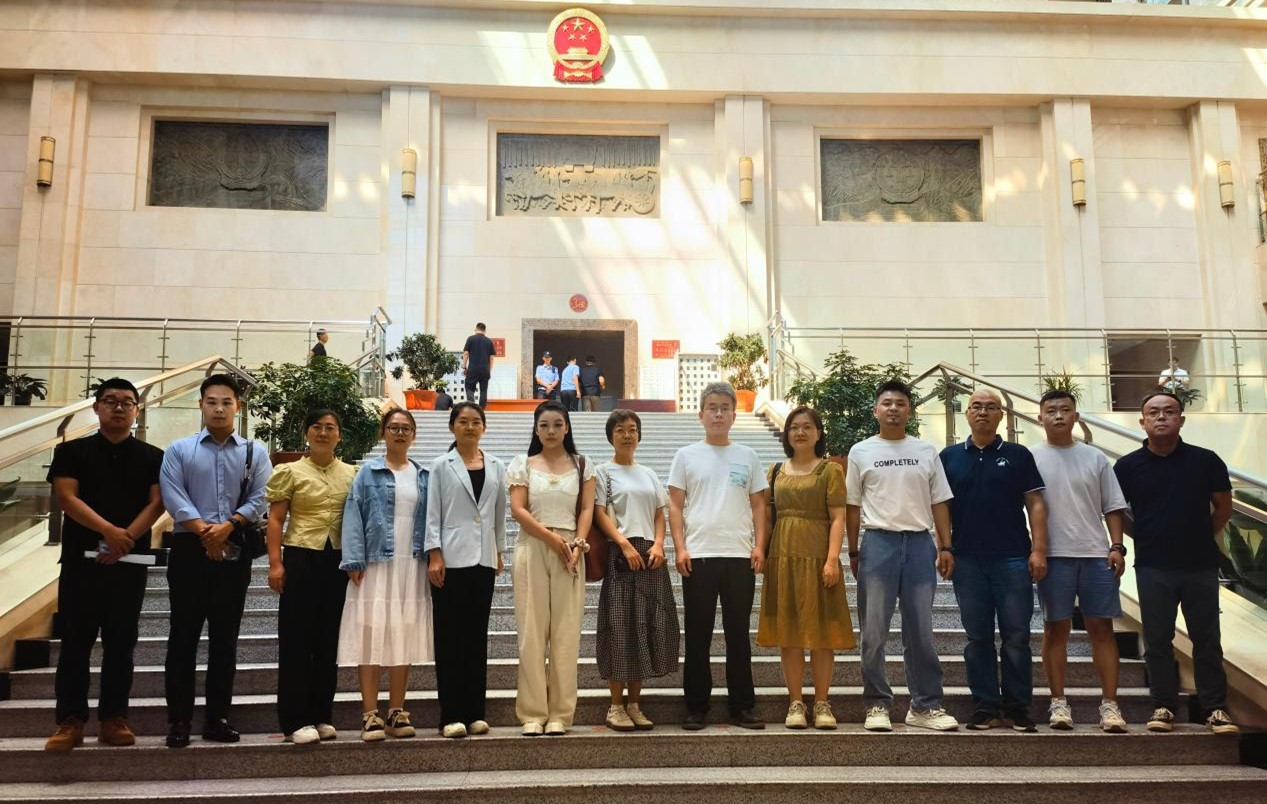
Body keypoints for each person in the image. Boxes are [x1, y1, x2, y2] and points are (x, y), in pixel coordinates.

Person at [44, 378, 165, 752]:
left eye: (127, 402)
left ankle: (114, 719)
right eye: (110, 401)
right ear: (96, 407)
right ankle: (70, 721)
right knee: (75, 644)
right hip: (81, 565)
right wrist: (109, 532)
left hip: (128, 564)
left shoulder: (152, 456)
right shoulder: (71, 451)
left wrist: (125, 538)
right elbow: (67, 498)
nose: (119, 407)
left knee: (121, 644)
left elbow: (158, 503)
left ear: (137, 410)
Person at [1114, 391, 1238, 735]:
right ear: (1143, 422)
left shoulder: (1206, 461)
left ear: (1181, 419)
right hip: (1153, 566)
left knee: (1207, 639)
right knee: (1157, 640)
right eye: (1153, 412)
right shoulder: (1127, 466)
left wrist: (1200, 536)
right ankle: (1164, 706)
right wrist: (1143, 537)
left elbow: (1224, 508)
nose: (1161, 417)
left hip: (1200, 565)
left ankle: (1215, 709)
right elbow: (1117, 511)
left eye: (1169, 411)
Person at [159, 374, 272, 748]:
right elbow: (173, 495)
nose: (219, 408)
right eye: (211, 402)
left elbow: (261, 497)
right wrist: (205, 531)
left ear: (238, 406)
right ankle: (179, 720)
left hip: (234, 547)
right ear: (201, 405)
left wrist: (228, 526)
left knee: (225, 638)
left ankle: (217, 718)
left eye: (226, 402)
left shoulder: (255, 452)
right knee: (183, 637)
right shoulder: (179, 450)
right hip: (189, 549)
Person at [846, 379, 958, 732]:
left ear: (909, 411)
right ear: (876, 410)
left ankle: (925, 705)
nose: (893, 408)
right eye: (887, 403)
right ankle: (876, 704)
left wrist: (945, 545)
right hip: (878, 543)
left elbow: (939, 501)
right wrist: (853, 550)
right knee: (873, 631)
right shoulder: (861, 451)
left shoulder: (926, 450)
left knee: (920, 631)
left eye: (900, 403)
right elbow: (852, 505)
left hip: (920, 544)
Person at [939, 389, 1047, 732]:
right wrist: (945, 547)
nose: (983, 412)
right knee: (978, 638)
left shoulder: (1018, 454)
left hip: (1013, 557)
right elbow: (941, 506)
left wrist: (1038, 550)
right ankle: (985, 706)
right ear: (967, 413)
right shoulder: (949, 456)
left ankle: (1017, 707)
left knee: (1017, 637)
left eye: (990, 407)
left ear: (1001, 415)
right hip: (967, 560)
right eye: (976, 406)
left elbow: (1035, 503)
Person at [668, 381, 767, 731]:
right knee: (698, 635)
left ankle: (743, 706)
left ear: (734, 415)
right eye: (712, 408)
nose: (719, 414)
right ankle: (696, 706)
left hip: (739, 556)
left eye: (725, 408)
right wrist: (680, 547)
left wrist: (759, 545)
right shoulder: (686, 456)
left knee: (738, 634)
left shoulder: (748, 456)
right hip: (699, 556)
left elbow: (760, 505)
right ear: (701, 414)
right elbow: (675, 506)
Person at [1031, 389, 1130, 733]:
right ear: (1039, 417)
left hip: (1094, 554)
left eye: (1065, 410)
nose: (1058, 415)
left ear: (1076, 416)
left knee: (1101, 629)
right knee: (1055, 629)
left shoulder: (1095, 457)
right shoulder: (1030, 458)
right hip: (1052, 556)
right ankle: (1058, 702)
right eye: (1051, 410)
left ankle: (1110, 705)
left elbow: (1113, 506)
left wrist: (1116, 546)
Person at [337, 408, 432, 742]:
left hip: (411, 563)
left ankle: (396, 711)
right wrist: (354, 559)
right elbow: (353, 512)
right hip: (376, 562)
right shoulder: (368, 472)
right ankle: (369, 714)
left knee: (402, 634)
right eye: (393, 427)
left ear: (414, 435)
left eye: (406, 428)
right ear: (383, 433)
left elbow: (431, 520)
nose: (400, 433)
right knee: (371, 634)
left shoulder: (423, 475)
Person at [756, 406, 853, 731]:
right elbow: (767, 517)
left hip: (818, 556)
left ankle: (822, 702)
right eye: (794, 427)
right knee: (790, 634)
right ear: (786, 434)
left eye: (807, 426)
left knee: (823, 634)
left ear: (818, 433)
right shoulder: (775, 471)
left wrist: (832, 559)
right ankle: (795, 702)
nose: (800, 432)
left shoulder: (830, 470)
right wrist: (762, 552)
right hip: (783, 557)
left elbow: (838, 518)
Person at [265, 409, 357, 745]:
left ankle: (321, 715)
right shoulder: (290, 471)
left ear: (339, 435)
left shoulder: (351, 473)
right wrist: (275, 564)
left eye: (330, 427)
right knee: (296, 639)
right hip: (301, 557)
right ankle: (295, 719)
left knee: (327, 639)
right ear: (307, 433)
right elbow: (276, 520)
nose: (323, 433)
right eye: (316, 427)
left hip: (337, 561)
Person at [508, 401, 595, 736]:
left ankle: (560, 713)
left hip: (570, 551)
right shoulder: (523, 464)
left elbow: (586, 508)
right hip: (533, 546)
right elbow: (518, 509)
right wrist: (550, 538)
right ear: (536, 429)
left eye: (557, 424)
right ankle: (532, 713)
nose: (551, 431)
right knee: (531, 632)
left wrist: (578, 544)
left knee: (566, 634)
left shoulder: (583, 464)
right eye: (544, 425)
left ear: (567, 427)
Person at [425, 402, 507, 739]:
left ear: (483, 427)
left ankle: (475, 713)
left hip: (483, 559)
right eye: (463, 421)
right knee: (449, 638)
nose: (470, 427)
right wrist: (434, 554)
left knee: (476, 637)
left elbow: (499, 512)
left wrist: (499, 550)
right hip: (450, 560)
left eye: (476, 422)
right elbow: (432, 512)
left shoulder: (497, 465)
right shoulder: (441, 465)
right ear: (452, 427)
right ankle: (451, 715)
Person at [594, 410, 680, 732]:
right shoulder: (603, 472)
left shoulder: (648, 473)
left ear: (639, 435)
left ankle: (634, 704)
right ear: (611, 436)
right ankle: (615, 706)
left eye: (632, 429)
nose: (627, 435)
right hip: (621, 555)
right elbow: (600, 514)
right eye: (620, 430)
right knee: (619, 626)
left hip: (650, 556)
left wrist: (659, 545)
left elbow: (660, 513)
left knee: (645, 625)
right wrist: (623, 544)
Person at [462, 323, 495, 409]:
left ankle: (471, 406)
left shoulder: (470, 339)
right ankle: (481, 409)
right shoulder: (489, 341)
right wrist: (489, 371)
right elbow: (491, 358)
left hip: (473, 369)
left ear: (476, 329)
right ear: (485, 331)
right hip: (485, 370)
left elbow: (466, 353)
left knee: (469, 387)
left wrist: (464, 367)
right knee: (483, 390)